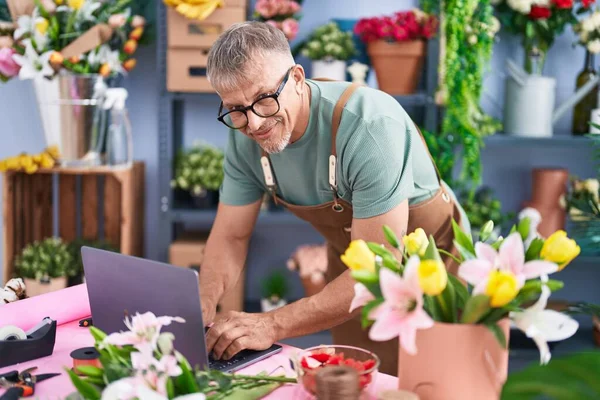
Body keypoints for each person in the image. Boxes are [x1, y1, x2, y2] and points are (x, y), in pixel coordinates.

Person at [200, 21, 469, 375]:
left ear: (297, 78)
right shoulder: (244, 138)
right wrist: (198, 310)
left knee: (437, 384)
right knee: (355, 384)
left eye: (264, 99)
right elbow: (230, 237)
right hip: (352, 266)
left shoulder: (368, 126)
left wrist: (270, 324)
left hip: (434, 266)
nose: (254, 123)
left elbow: (378, 265)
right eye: (235, 108)